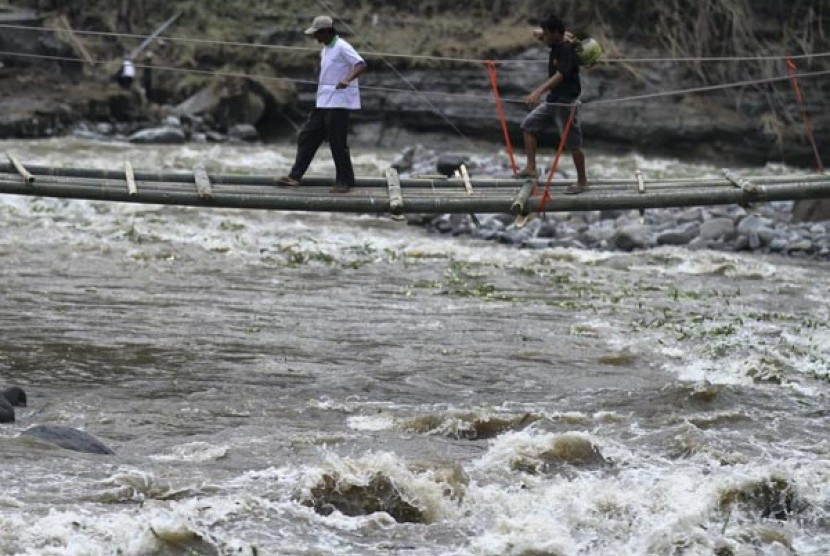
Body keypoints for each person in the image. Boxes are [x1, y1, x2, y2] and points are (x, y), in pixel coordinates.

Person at [277, 15, 367, 193]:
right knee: (307, 136)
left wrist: (347, 80)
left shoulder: (342, 46)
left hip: (339, 101)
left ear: (327, 31)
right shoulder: (326, 48)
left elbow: (361, 64)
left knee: (337, 141)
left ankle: (345, 181)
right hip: (324, 101)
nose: (315, 38)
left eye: (317, 34)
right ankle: (295, 177)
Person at [516, 13, 588, 194]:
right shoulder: (555, 41)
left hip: (566, 103)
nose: (544, 38)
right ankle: (531, 168)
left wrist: (538, 92)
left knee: (573, 144)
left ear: (556, 33)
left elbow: (561, 75)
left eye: (547, 34)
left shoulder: (566, 50)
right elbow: (536, 33)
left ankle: (582, 182)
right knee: (528, 126)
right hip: (553, 101)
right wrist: (544, 32)